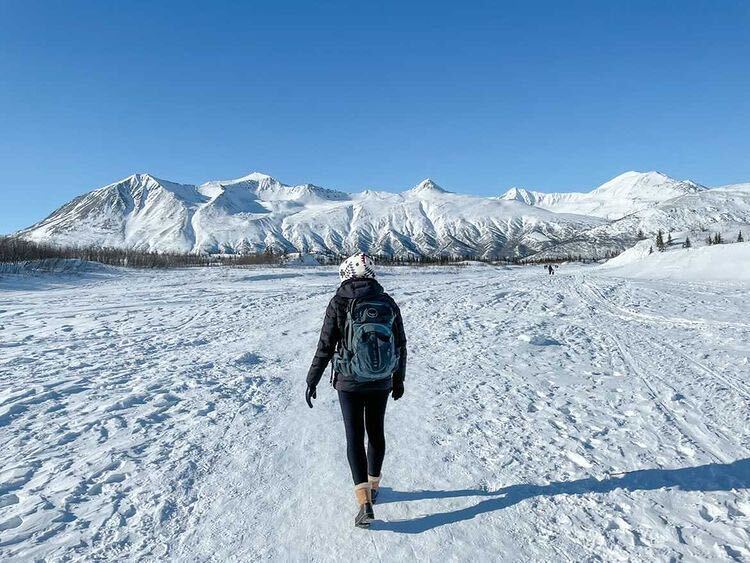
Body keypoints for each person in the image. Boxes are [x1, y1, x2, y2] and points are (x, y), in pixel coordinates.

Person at [306, 253, 407, 528]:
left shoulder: (339, 302)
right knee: (376, 432)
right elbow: (400, 344)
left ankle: (364, 502)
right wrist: (398, 379)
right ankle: (374, 487)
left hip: (349, 381)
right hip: (381, 379)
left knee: (355, 437)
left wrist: (312, 379)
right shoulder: (387, 302)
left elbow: (325, 346)